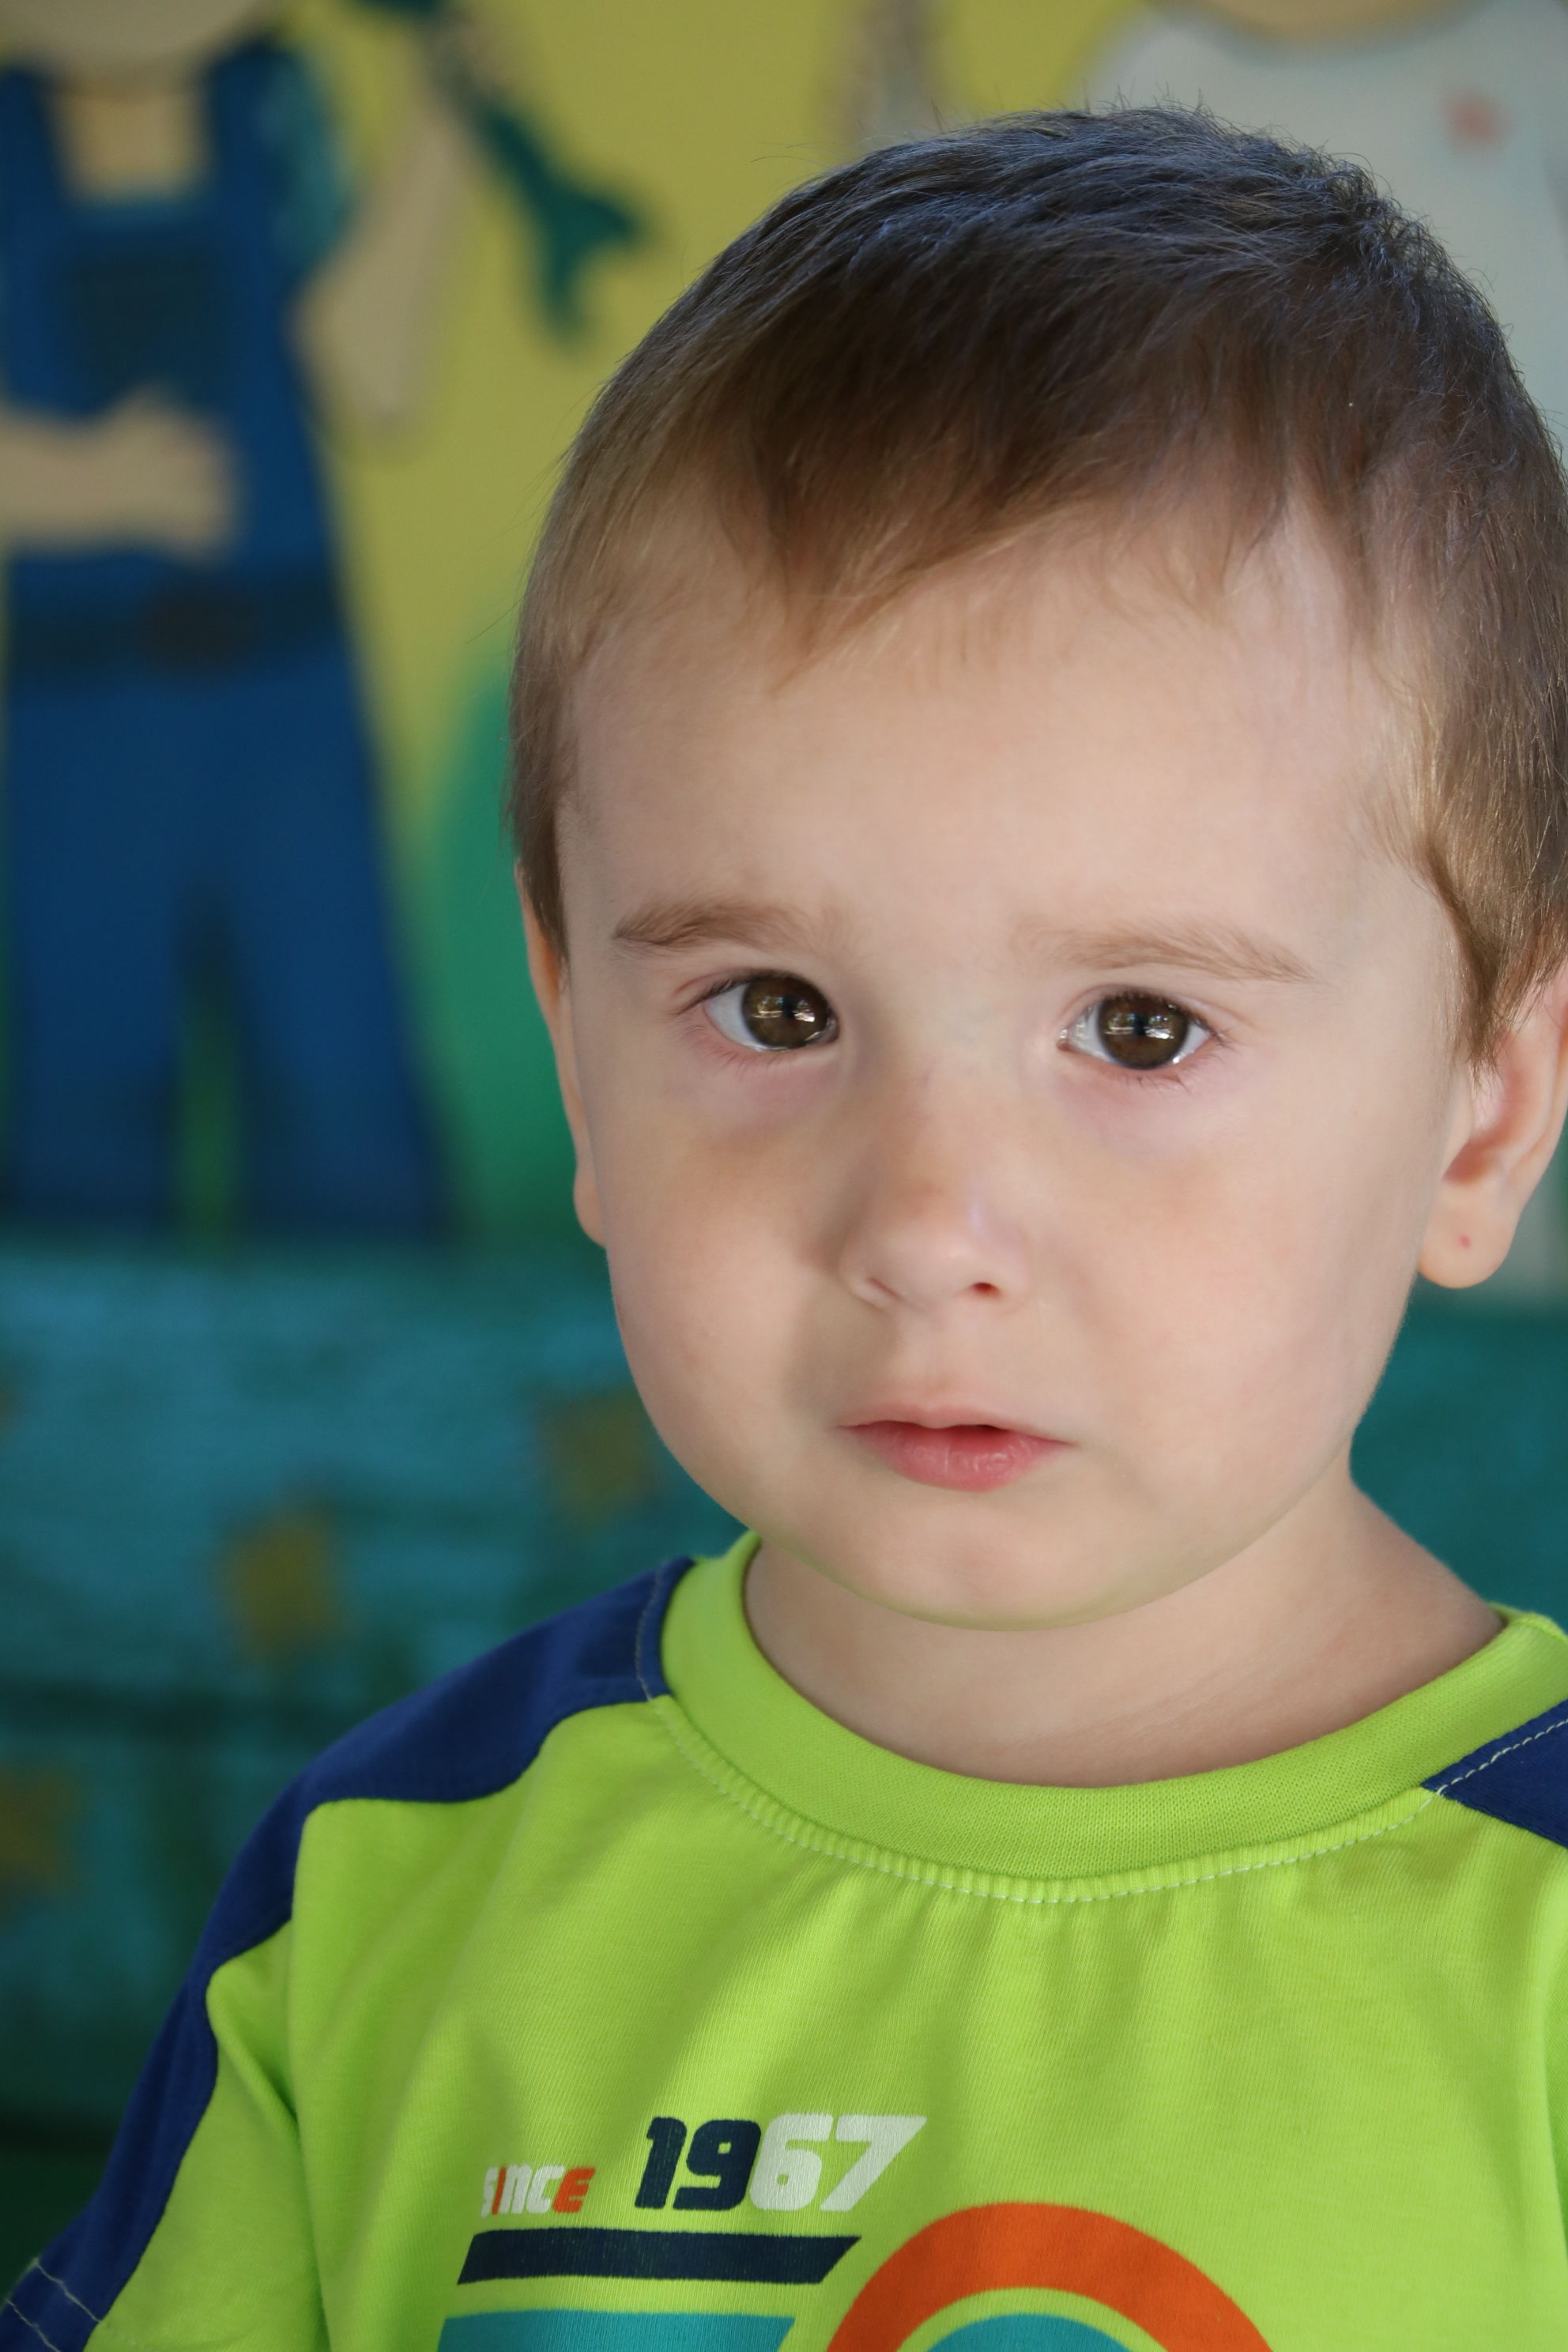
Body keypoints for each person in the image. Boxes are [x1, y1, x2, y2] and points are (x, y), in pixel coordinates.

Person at [11, 104, 1568, 2350]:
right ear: (577, 1049)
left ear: (1482, 1109)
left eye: (1139, 1029)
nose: (927, 1228)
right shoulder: (383, 1889)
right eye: (775, 1009)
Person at [0, 0, 473, 1232]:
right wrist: (82, 483)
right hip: (81, 707)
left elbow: (371, 375)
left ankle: (367, 1346)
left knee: (339, 1078)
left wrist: (448, 127)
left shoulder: (275, 111)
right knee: (83, 1090)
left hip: (287, 696)